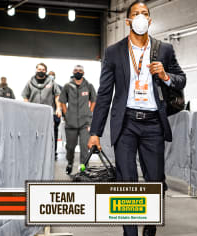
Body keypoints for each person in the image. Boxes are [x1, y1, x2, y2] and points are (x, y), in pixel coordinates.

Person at [87, 1, 186, 235]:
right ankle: (129, 233)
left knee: (155, 182)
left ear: (149, 20)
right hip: (126, 123)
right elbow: (104, 94)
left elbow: (181, 79)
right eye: (136, 14)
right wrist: (95, 132)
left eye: (145, 14)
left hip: (153, 123)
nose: (140, 17)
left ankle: (149, 230)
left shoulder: (164, 49)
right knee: (126, 182)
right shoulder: (113, 52)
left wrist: (165, 75)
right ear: (128, 21)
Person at [59, 65, 96, 174]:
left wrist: (90, 112)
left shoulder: (89, 86)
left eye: (80, 71)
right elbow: (62, 101)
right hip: (71, 123)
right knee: (70, 147)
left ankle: (83, 169)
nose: (78, 72)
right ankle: (70, 163)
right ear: (73, 72)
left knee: (85, 147)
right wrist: (66, 114)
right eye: (76, 70)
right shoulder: (67, 86)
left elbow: (94, 100)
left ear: (83, 73)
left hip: (85, 123)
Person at [22, 63, 62, 159]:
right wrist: (27, 109)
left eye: (43, 69)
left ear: (46, 71)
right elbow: (25, 96)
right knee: (34, 134)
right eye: (39, 69)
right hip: (33, 113)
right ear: (36, 70)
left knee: (50, 135)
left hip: (48, 113)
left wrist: (58, 108)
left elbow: (57, 95)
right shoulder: (29, 82)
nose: (41, 71)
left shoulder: (51, 82)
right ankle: (34, 153)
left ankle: (51, 153)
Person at [48, 71, 63, 160]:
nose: (51, 77)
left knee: (54, 133)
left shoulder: (60, 88)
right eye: (50, 75)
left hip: (55, 114)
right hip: (46, 113)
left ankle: (54, 151)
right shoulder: (44, 87)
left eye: (53, 75)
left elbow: (63, 101)